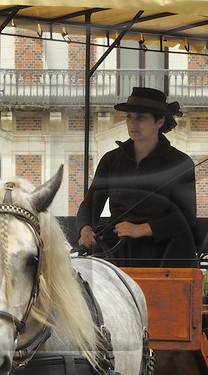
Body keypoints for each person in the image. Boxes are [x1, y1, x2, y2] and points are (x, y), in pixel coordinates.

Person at [76, 86, 198, 265]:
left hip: (163, 255)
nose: (132, 124)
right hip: (116, 253)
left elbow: (187, 216)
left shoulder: (180, 162)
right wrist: (85, 228)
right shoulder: (111, 160)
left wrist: (142, 229)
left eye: (141, 118)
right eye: (129, 117)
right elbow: (91, 203)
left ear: (159, 121)